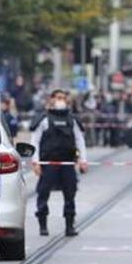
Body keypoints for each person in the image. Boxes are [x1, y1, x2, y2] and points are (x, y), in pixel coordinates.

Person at [31, 89, 88, 237]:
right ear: (51, 99)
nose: (60, 100)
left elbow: (79, 140)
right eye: (58, 97)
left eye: (63, 98)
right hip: (48, 162)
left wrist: (83, 160)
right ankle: (42, 225)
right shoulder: (44, 119)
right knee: (43, 193)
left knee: (70, 193)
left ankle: (69, 225)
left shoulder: (72, 120)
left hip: (67, 163)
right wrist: (36, 162)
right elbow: (34, 142)